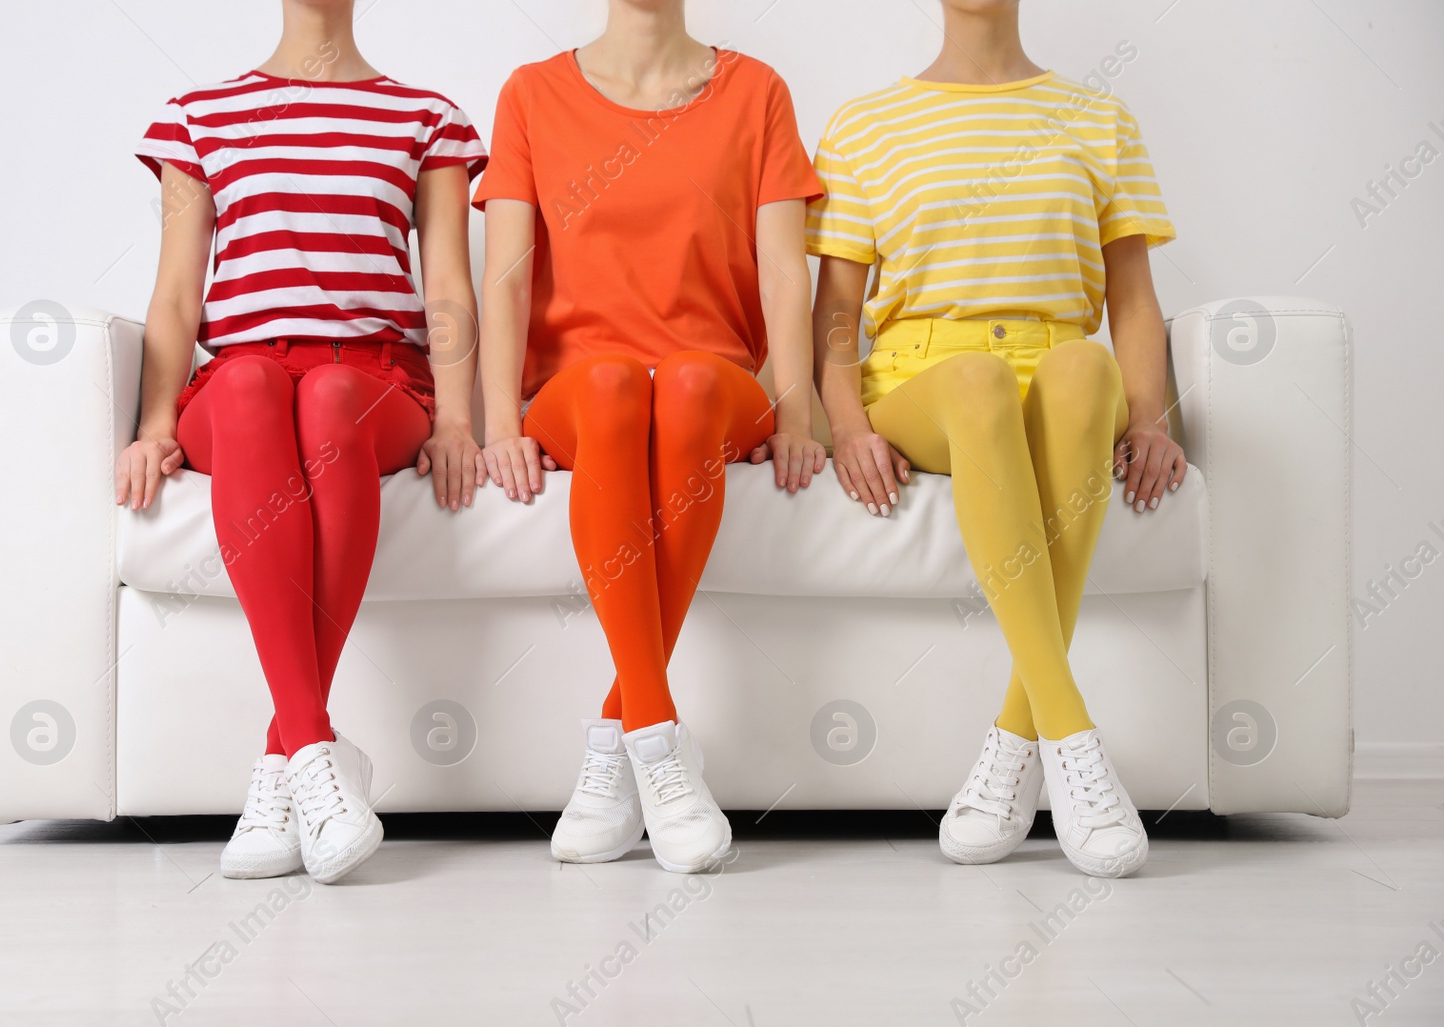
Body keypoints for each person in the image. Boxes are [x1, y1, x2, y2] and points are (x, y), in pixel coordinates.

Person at [808, 0, 1182, 877]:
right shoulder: (864, 125)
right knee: (976, 378)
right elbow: (834, 317)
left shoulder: (1101, 119)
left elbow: (1130, 301)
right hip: (924, 383)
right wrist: (848, 422)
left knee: (1089, 369)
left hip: (1059, 372)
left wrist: (1154, 417)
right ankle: (1075, 738)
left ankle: (1014, 746)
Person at [121, 0, 487, 883]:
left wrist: (458, 417)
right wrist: (154, 422)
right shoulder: (196, 118)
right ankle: (317, 751)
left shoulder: (428, 117)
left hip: (375, 380)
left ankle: (284, 765)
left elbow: (447, 283)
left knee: (327, 395)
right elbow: (176, 295)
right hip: (239, 380)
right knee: (250, 380)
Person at [475, 0, 827, 873]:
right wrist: (492, 420)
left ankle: (620, 737)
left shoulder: (758, 92)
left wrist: (797, 408)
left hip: (717, 387)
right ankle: (659, 742)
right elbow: (507, 280)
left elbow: (787, 275)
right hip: (578, 392)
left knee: (692, 378)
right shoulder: (530, 95)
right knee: (612, 382)